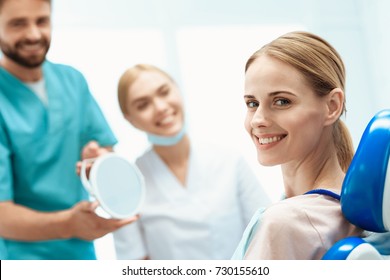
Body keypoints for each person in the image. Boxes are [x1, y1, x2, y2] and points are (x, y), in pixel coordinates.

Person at [0, 0, 135, 260]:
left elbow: (105, 148)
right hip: (22, 259)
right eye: (18, 24)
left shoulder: (73, 80)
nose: (33, 34)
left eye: (41, 21)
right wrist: (69, 225)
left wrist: (99, 160)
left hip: (81, 253)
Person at [113, 64, 271, 259]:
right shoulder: (126, 186)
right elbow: (134, 262)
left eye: (164, 92)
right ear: (129, 118)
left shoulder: (229, 161)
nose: (161, 107)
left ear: (177, 90)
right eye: (143, 105)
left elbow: (267, 235)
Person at [231, 31, 364, 260]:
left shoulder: (284, 224)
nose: (258, 120)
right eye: (252, 103)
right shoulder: (356, 210)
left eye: (282, 101)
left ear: (332, 106)